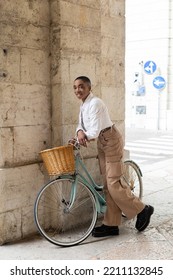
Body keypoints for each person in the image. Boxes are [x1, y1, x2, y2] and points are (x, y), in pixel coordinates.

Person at [73, 76, 154, 237]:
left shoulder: (95, 103)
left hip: (110, 140)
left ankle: (142, 209)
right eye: (75, 87)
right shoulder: (84, 105)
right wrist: (79, 132)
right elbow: (81, 125)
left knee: (113, 183)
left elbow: (94, 131)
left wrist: (81, 136)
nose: (78, 90)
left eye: (81, 86)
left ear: (89, 87)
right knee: (107, 185)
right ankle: (111, 224)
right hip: (102, 143)